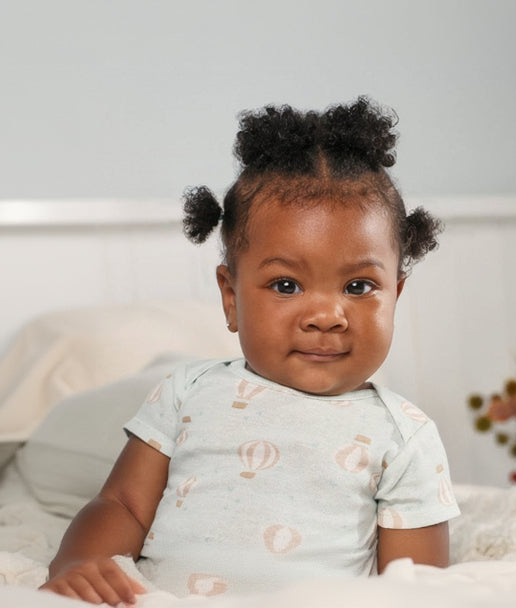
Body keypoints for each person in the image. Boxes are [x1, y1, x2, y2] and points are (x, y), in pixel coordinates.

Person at [40, 96, 459, 604]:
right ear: (231, 297)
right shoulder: (188, 393)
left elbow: (417, 586)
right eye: (286, 285)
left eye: (358, 287)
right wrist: (82, 564)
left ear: (396, 294)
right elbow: (123, 505)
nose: (326, 315)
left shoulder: (404, 436)